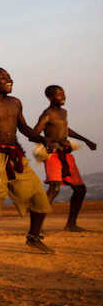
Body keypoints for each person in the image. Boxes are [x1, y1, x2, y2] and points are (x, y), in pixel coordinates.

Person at [0, 68, 52, 259]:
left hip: (16, 156)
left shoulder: (15, 102)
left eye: (8, 76)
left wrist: (42, 139)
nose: (9, 79)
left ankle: (33, 238)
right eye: (2, 77)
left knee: (39, 198)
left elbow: (24, 128)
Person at [33, 85, 97, 232]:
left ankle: (71, 224)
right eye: (59, 94)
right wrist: (49, 142)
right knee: (54, 188)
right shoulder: (47, 114)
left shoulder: (63, 112)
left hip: (66, 153)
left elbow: (65, 130)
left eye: (63, 94)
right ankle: (36, 228)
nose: (63, 97)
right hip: (53, 155)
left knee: (80, 189)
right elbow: (34, 134)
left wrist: (86, 140)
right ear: (50, 97)